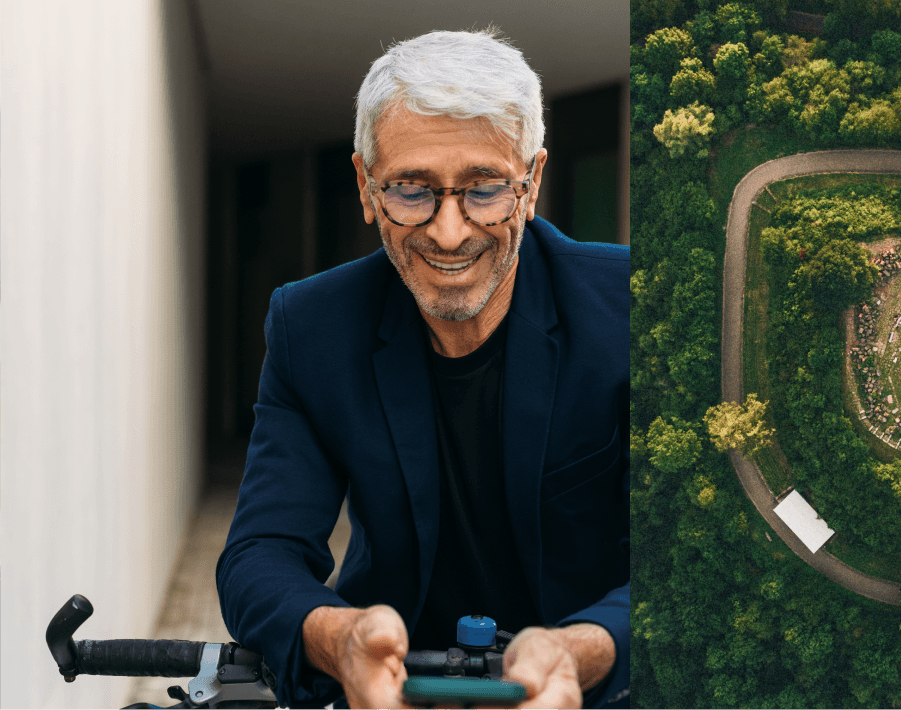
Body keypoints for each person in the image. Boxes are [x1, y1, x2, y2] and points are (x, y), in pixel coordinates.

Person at [216, 29, 629, 709]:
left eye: (484, 189)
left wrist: (583, 649)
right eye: (411, 189)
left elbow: (687, 562)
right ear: (365, 186)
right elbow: (259, 553)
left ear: (531, 185)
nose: (448, 230)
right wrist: (340, 637)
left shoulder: (634, 309)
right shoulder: (311, 326)